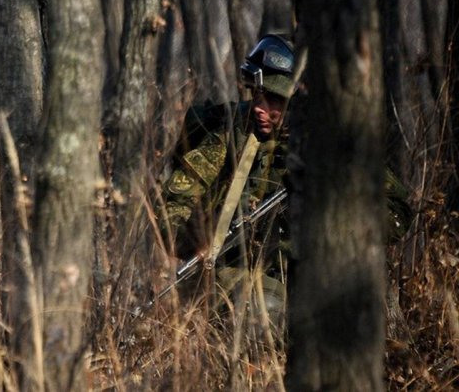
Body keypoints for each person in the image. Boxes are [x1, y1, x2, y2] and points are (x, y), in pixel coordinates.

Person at [162, 33, 411, 333]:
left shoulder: (332, 145)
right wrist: (198, 233)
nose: (259, 106)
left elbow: (398, 216)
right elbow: (170, 213)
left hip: (319, 283)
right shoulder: (231, 133)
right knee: (261, 313)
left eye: (275, 99)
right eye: (257, 94)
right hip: (238, 279)